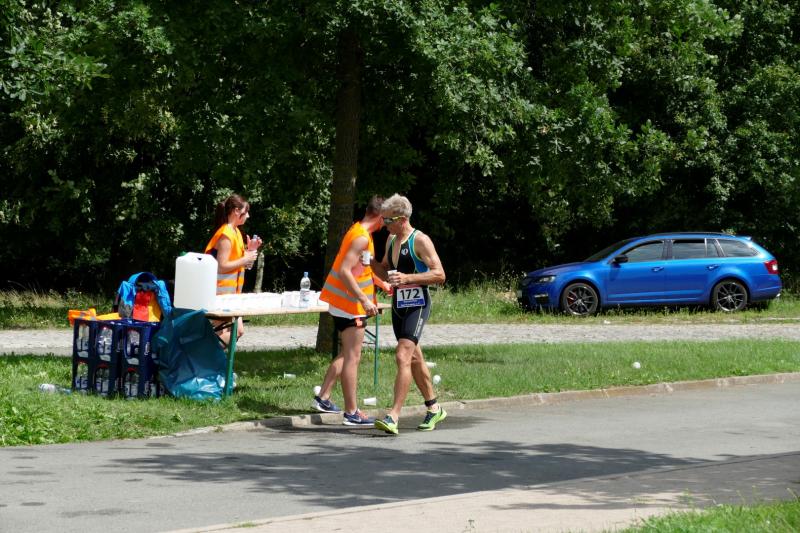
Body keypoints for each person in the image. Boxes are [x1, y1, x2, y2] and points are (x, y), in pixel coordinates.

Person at [313, 195, 390, 426]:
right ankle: (352, 412)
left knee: (347, 353)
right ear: (380, 216)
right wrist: (364, 300)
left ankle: (323, 397)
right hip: (350, 305)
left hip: (345, 303)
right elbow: (345, 271)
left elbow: (361, 270)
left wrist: (382, 284)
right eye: (387, 218)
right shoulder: (361, 237)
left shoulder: (361, 232)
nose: (388, 223)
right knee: (352, 357)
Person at [374, 194, 446, 435]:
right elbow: (385, 272)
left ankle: (393, 416)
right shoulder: (391, 240)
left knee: (402, 355)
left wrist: (407, 278)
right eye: (383, 220)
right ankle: (434, 408)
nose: (384, 224)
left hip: (418, 304)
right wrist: (368, 262)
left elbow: (439, 274)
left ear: (402, 219)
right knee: (414, 358)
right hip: (399, 305)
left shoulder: (420, 240)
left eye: (388, 220)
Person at [204, 194, 261, 346]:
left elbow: (241, 265)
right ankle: (204, 356)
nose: (248, 216)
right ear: (236, 211)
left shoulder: (236, 232)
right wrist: (245, 258)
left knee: (236, 330)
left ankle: (210, 358)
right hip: (219, 294)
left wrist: (250, 251)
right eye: (246, 211)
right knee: (226, 332)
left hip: (231, 295)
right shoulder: (226, 234)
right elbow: (222, 266)